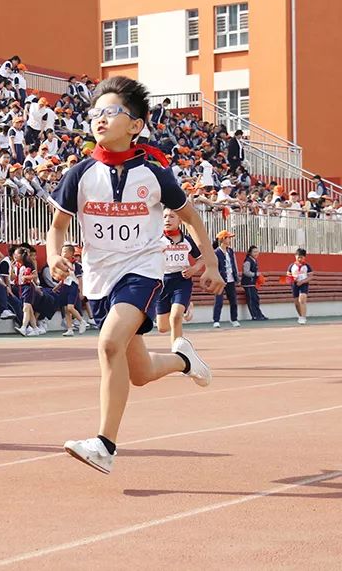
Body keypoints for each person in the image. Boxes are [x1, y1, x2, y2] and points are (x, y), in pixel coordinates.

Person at [47, 76, 223, 475]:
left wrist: (210, 263)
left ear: (136, 125)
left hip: (142, 271)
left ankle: (105, 445)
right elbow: (57, 226)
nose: (100, 119)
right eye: (95, 113)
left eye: (112, 112)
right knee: (140, 373)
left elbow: (192, 218)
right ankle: (182, 359)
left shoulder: (155, 175)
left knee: (109, 344)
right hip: (98, 278)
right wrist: (54, 255)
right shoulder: (79, 175)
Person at [157, 208, 201, 345]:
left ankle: (177, 352)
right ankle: (187, 305)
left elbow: (202, 258)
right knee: (163, 328)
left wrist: (194, 269)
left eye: (171, 217)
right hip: (162, 281)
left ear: (180, 221)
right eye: (164, 217)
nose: (167, 220)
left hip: (182, 280)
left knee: (176, 318)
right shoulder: (157, 240)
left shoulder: (187, 240)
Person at [212, 230, 240, 328]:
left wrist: (236, 276)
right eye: (228, 238)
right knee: (219, 301)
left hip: (231, 279)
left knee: (233, 300)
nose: (230, 240)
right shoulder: (216, 252)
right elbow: (214, 266)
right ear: (223, 239)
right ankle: (216, 320)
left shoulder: (230, 251)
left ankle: (234, 319)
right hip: (220, 280)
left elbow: (234, 264)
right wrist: (216, 278)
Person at [241, 245, 267, 321]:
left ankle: (259, 314)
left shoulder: (254, 261)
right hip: (248, 283)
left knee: (256, 299)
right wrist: (255, 274)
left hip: (253, 283)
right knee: (251, 300)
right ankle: (254, 315)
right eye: (254, 252)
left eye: (257, 251)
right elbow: (246, 272)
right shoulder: (248, 261)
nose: (256, 253)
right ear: (250, 253)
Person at [287, 248, 313, 325]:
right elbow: (288, 276)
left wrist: (302, 281)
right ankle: (300, 316)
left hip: (304, 284)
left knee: (302, 299)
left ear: (304, 257)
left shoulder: (307, 266)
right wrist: (293, 279)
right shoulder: (291, 266)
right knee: (296, 302)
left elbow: (310, 276)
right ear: (295, 256)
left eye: (301, 257)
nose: (300, 259)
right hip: (294, 284)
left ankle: (303, 317)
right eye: (298, 257)